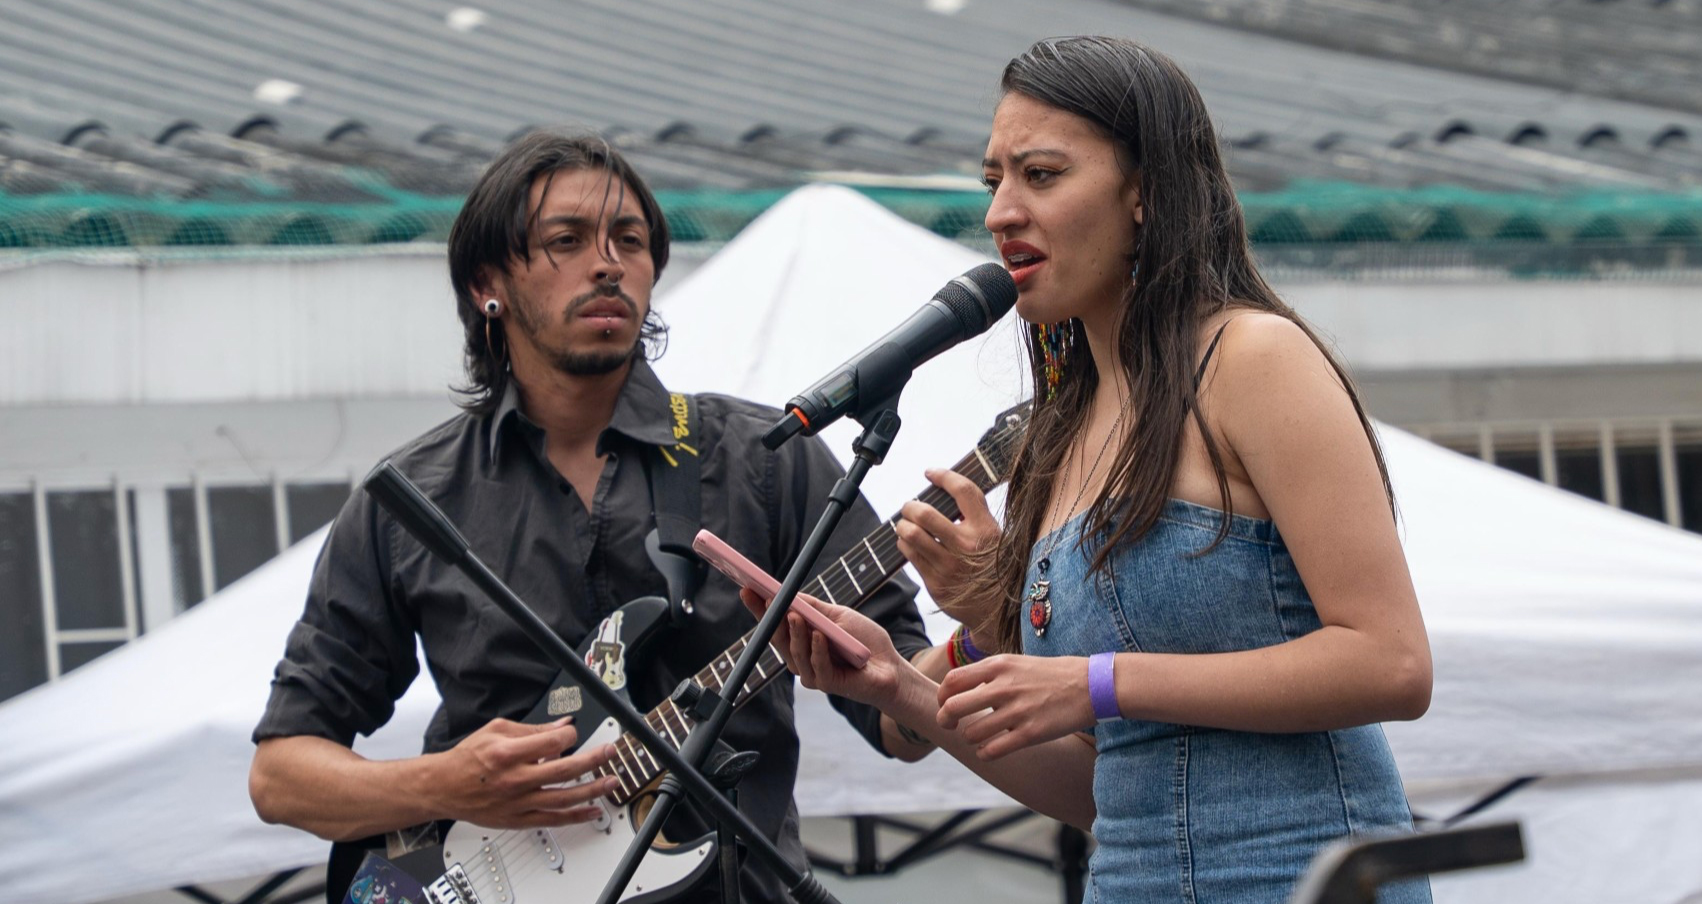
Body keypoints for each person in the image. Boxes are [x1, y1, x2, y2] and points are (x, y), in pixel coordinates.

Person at [750, 36, 1435, 904]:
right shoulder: (1054, 437)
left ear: (1145, 191)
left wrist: (1098, 682)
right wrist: (901, 690)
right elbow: (1100, 793)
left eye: (1040, 175)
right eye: (993, 181)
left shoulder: (1252, 360)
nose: (1001, 212)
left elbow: (1391, 663)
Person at [246, 129, 939, 904]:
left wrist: (978, 628)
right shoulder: (413, 500)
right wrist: (446, 784)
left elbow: (906, 725)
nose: (607, 263)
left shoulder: (769, 459)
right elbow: (281, 776)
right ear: (487, 285)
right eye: (567, 240)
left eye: (629, 240)